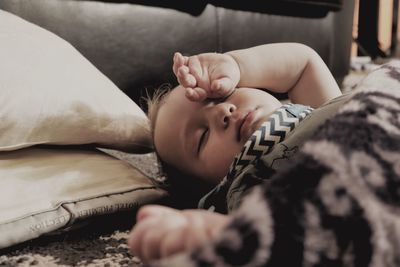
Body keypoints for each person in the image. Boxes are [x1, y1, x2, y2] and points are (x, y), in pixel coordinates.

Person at [127, 43, 342, 263]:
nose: (222, 112)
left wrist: (236, 65)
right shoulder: (247, 191)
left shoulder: (325, 112)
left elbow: (304, 63)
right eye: (203, 136)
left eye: (220, 97)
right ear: (211, 191)